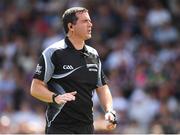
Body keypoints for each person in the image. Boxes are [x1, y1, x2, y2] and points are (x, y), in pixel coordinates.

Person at [30, 7, 116, 134]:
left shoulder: (93, 54)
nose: (90, 24)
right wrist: (55, 97)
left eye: (90, 21)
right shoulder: (54, 52)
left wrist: (109, 111)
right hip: (60, 127)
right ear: (71, 26)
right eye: (85, 21)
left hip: (86, 127)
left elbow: (102, 87)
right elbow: (35, 87)